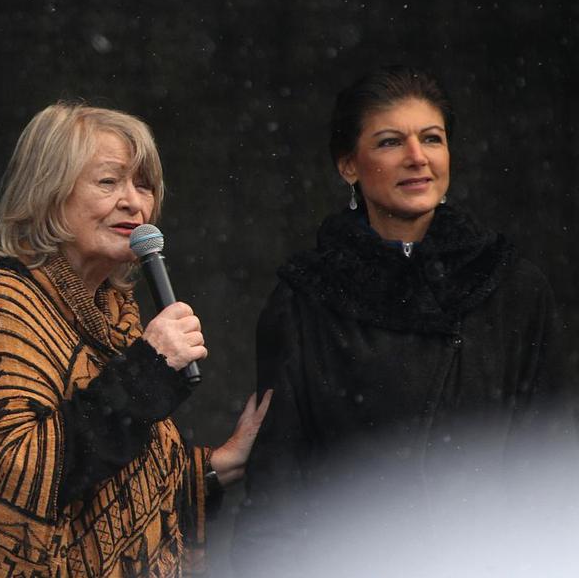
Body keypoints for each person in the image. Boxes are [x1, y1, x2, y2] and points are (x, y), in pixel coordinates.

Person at [0, 102, 271, 577]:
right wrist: (146, 373)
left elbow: (110, 481)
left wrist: (216, 467)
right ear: (47, 193)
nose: (134, 202)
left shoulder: (114, 314)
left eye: (143, 184)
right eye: (109, 182)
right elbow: (16, 474)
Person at [232, 65, 574, 575]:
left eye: (432, 138)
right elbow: (281, 488)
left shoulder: (512, 288)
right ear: (349, 165)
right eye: (391, 142)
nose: (417, 157)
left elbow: (547, 467)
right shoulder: (306, 299)